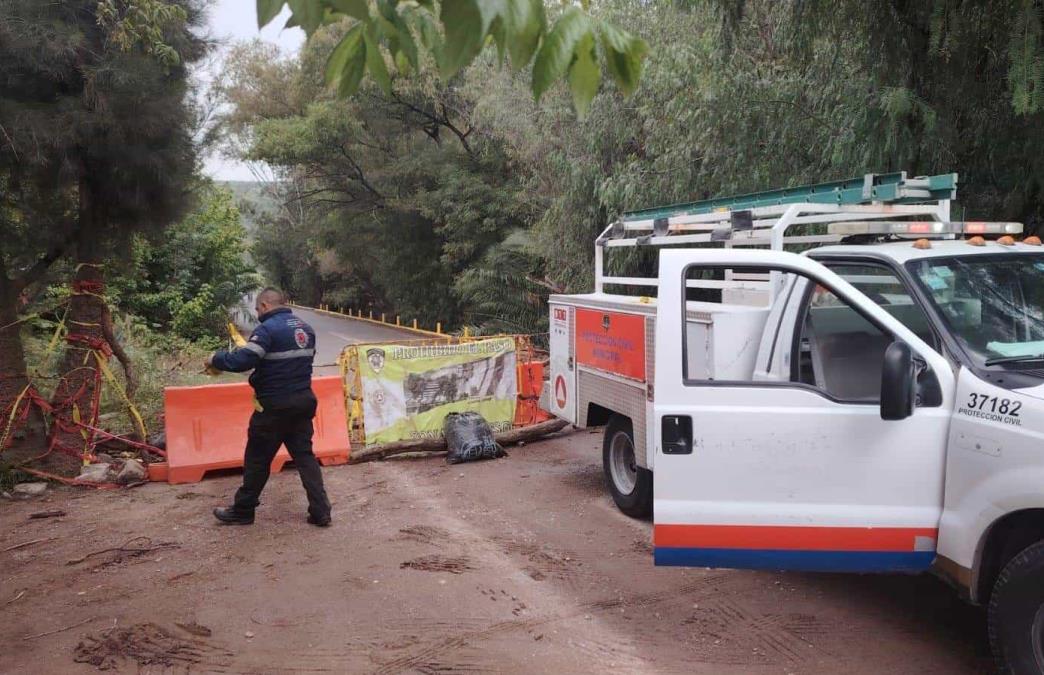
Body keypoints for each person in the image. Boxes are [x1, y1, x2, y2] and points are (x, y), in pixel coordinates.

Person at [206, 288, 332, 527]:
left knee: (257, 459)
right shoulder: (306, 328)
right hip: (303, 402)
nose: (257, 313)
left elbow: (243, 360)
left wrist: (216, 359)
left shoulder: (267, 329)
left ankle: (243, 511)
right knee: (305, 457)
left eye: (257, 308)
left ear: (264, 305)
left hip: (274, 406)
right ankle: (321, 511)